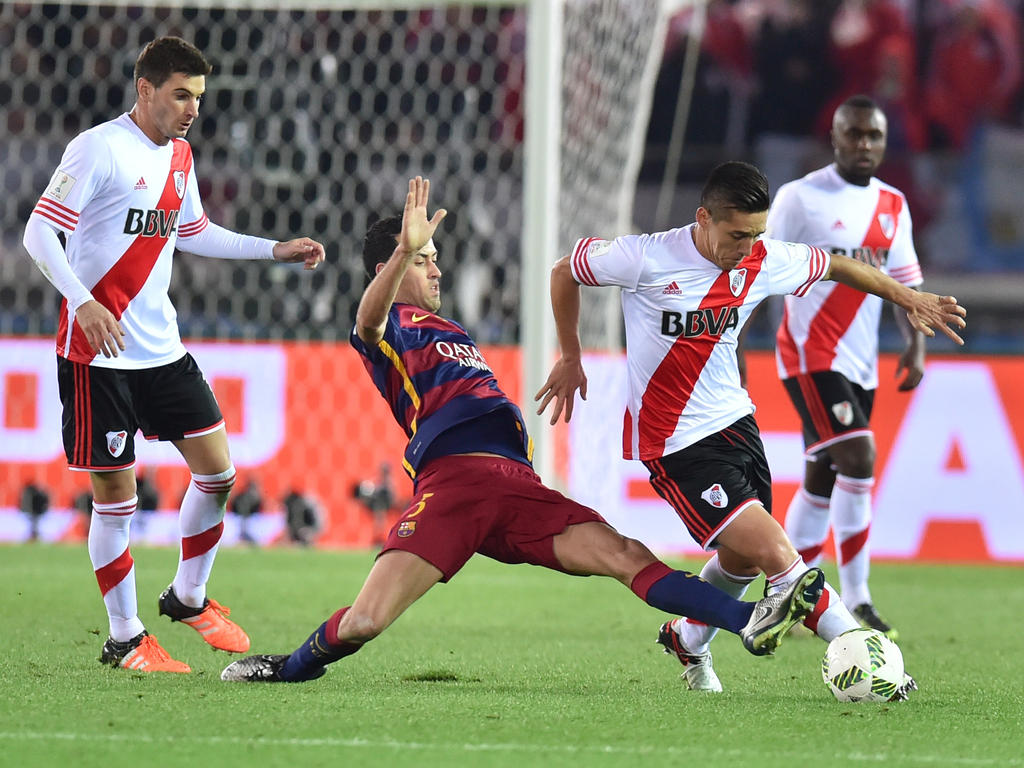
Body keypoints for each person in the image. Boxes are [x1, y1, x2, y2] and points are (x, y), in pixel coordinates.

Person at [220, 176, 825, 684]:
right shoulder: (393, 326)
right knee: (366, 622)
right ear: (391, 264)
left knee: (623, 554)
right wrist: (406, 250)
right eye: (423, 260)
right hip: (453, 489)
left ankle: (748, 622)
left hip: (516, 488)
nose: (436, 269)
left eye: (433, 258)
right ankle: (287, 667)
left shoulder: (449, 327)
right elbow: (366, 322)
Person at [537, 160, 964, 694]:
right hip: (674, 440)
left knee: (739, 561)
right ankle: (876, 663)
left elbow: (837, 265)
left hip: (737, 424)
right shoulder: (644, 256)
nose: (747, 247)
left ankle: (689, 639)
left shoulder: (764, 259)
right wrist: (571, 355)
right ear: (704, 218)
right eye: (737, 235)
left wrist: (910, 298)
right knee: (782, 561)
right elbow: (563, 271)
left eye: (758, 234)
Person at [21, 36, 326, 674]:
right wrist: (81, 301)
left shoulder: (180, 157)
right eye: (182, 94)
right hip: (98, 354)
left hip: (162, 350)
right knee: (117, 498)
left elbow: (194, 234)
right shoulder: (98, 148)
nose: (192, 108)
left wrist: (274, 250)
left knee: (218, 473)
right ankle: (125, 636)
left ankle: (187, 596)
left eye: (199, 97)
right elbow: (38, 232)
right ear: (146, 89)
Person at [768, 95, 923, 639]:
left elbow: (906, 284)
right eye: (853, 134)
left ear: (884, 141)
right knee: (859, 456)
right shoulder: (801, 198)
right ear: (833, 137)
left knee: (823, 474)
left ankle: (788, 593)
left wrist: (915, 346)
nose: (863, 144)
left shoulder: (893, 204)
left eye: (873, 136)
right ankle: (857, 599)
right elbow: (755, 268)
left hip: (861, 363)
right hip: (810, 354)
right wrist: (734, 341)